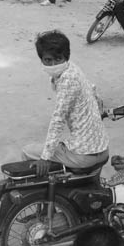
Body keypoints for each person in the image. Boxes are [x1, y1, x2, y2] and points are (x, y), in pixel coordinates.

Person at [22, 30, 109, 176]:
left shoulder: (67, 80)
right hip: (102, 148)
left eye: (58, 59)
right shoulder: (73, 69)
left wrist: (45, 157)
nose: (53, 64)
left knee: (28, 151)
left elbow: (58, 120)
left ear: (65, 57)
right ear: (41, 59)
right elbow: (94, 91)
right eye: (48, 60)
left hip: (83, 155)